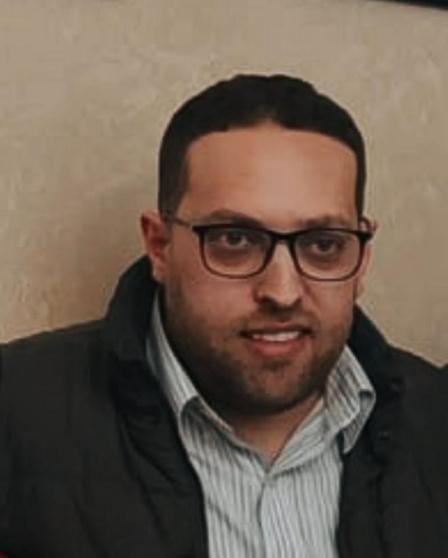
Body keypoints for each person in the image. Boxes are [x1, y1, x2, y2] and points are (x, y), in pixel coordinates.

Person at [0, 74, 446, 558]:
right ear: (160, 246)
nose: (282, 292)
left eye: (323, 245)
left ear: (361, 260)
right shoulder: (16, 413)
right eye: (234, 240)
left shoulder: (436, 420)